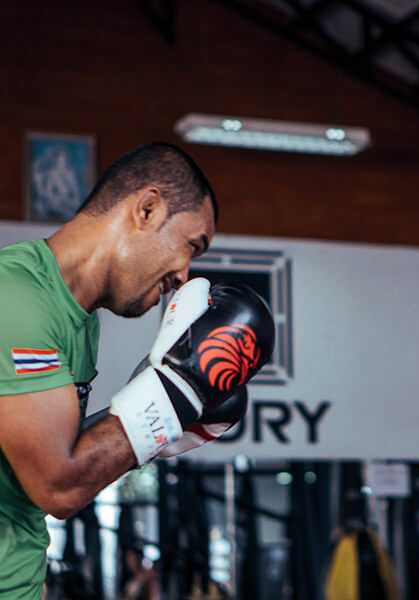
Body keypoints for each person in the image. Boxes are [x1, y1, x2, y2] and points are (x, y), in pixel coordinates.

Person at [0, 142, 275, 599]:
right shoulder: (17, 299)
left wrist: (159, 419)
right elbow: (57, 485)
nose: (185, 275)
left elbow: (36, 460)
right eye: (192, 245)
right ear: (147, 208)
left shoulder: (79, 319)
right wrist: (175, 393)